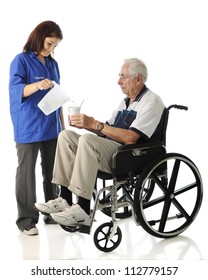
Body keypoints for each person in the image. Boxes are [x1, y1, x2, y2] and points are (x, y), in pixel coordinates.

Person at [34, 58, 165, 227]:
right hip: (114, 148)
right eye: (120, 76)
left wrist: (95, 124)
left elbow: (131, 138)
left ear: (138, 79)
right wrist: (85, 124)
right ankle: (64, 199)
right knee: (66, 135)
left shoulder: (151, 101)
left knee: (88, 141)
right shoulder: (125, 102)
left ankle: (82, 208)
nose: (119, 82)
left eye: (123, 77)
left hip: (131, 154)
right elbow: (107, 129)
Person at [9, 20, 64, 235]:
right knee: (26, 173)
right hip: (29, 125)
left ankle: (51, 212)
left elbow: (57, 95)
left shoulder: (53, 64)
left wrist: (63, 126)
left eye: (55, 46)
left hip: (52, 125)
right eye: (49, 44)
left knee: (53, 171)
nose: (51, 49)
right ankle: (26, 220)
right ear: (39, 37)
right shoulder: (21, 61)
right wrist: (37, 85)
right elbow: (16, 90)